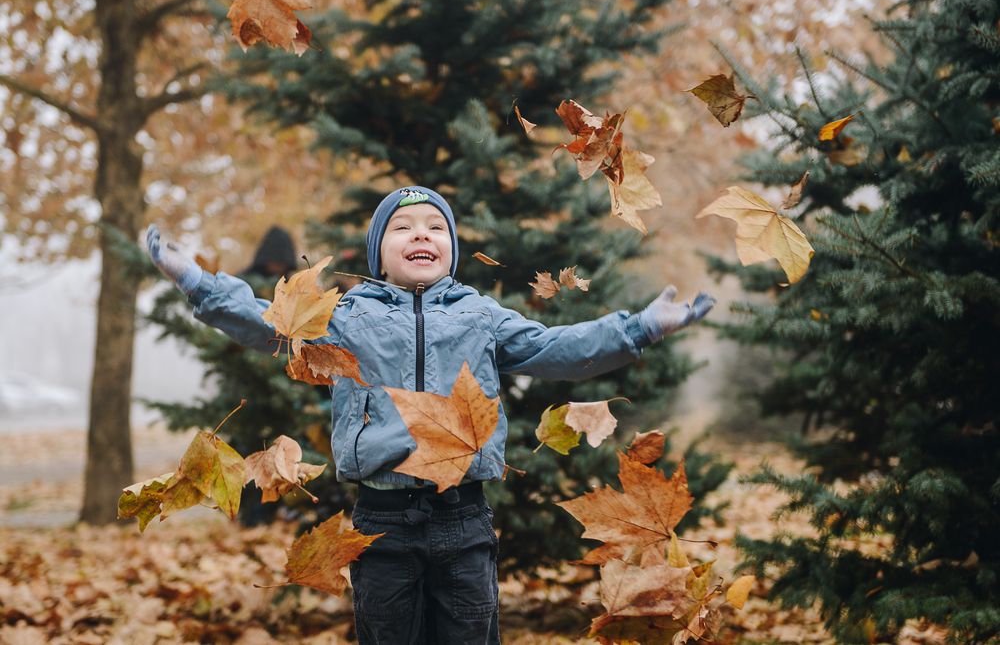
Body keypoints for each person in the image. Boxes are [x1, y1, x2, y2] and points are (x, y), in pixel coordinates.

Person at [144, 185, 715, 645]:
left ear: (451, 250)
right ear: (379, 255)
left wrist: (639, 328)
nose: (421, 234)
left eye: (435, 227)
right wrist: (196, 281)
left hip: (463, 519)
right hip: (381, 521)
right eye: (403, 227)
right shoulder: (346, 318)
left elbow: (557, 347)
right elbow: (265, 321)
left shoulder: (481, 316)